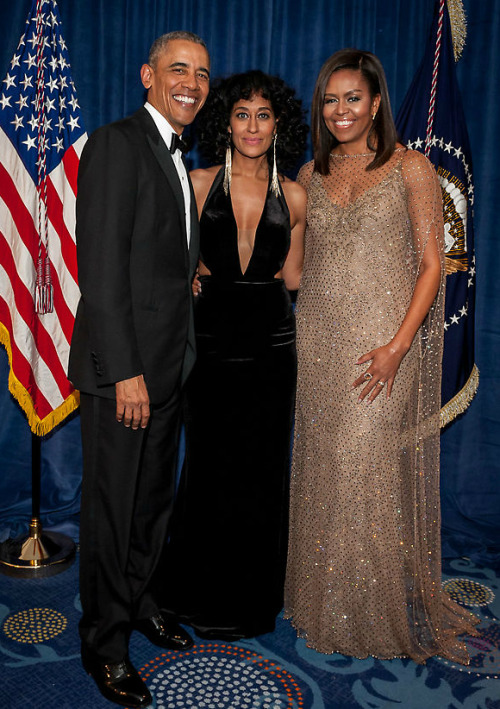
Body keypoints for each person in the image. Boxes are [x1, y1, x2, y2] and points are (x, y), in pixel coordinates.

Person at [284, 49, 479, 664]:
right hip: (317, 343)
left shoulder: (411, 168)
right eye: (331, 99)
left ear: (375, 104)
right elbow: (292, 272)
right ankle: (322, 599)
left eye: (353, 99)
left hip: (381, 347)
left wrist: (398, 347)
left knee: (366, 471)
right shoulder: (308, 175)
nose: (341, 111)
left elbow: (432, 267)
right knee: (324, 471)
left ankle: (372, 611)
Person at [68, 31, 210, 708]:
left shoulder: (178, 155)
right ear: (147, 75)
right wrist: (125, 370)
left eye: (202, 73)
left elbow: (152, 254)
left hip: (167, 368)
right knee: (112, 512)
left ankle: (142, 599)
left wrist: (189, 275)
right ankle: (103, 642)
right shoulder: (117, 143)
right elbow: (98, 267)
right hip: (123, 374)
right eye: (179, 69)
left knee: (152, 504)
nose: (192, 82)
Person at [161, 70, 307, 640]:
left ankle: (250, 598)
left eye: (263, 115)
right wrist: (190, 276)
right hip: (211, 342)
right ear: (226, 120)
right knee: (208, 464)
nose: (252, 126)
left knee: (262, 469)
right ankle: (195, 591)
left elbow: (292, 276)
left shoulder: (294, 194)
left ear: (279, 125)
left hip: (271, 344)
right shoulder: (195, 182)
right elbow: (172, 260)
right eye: (242, 114)